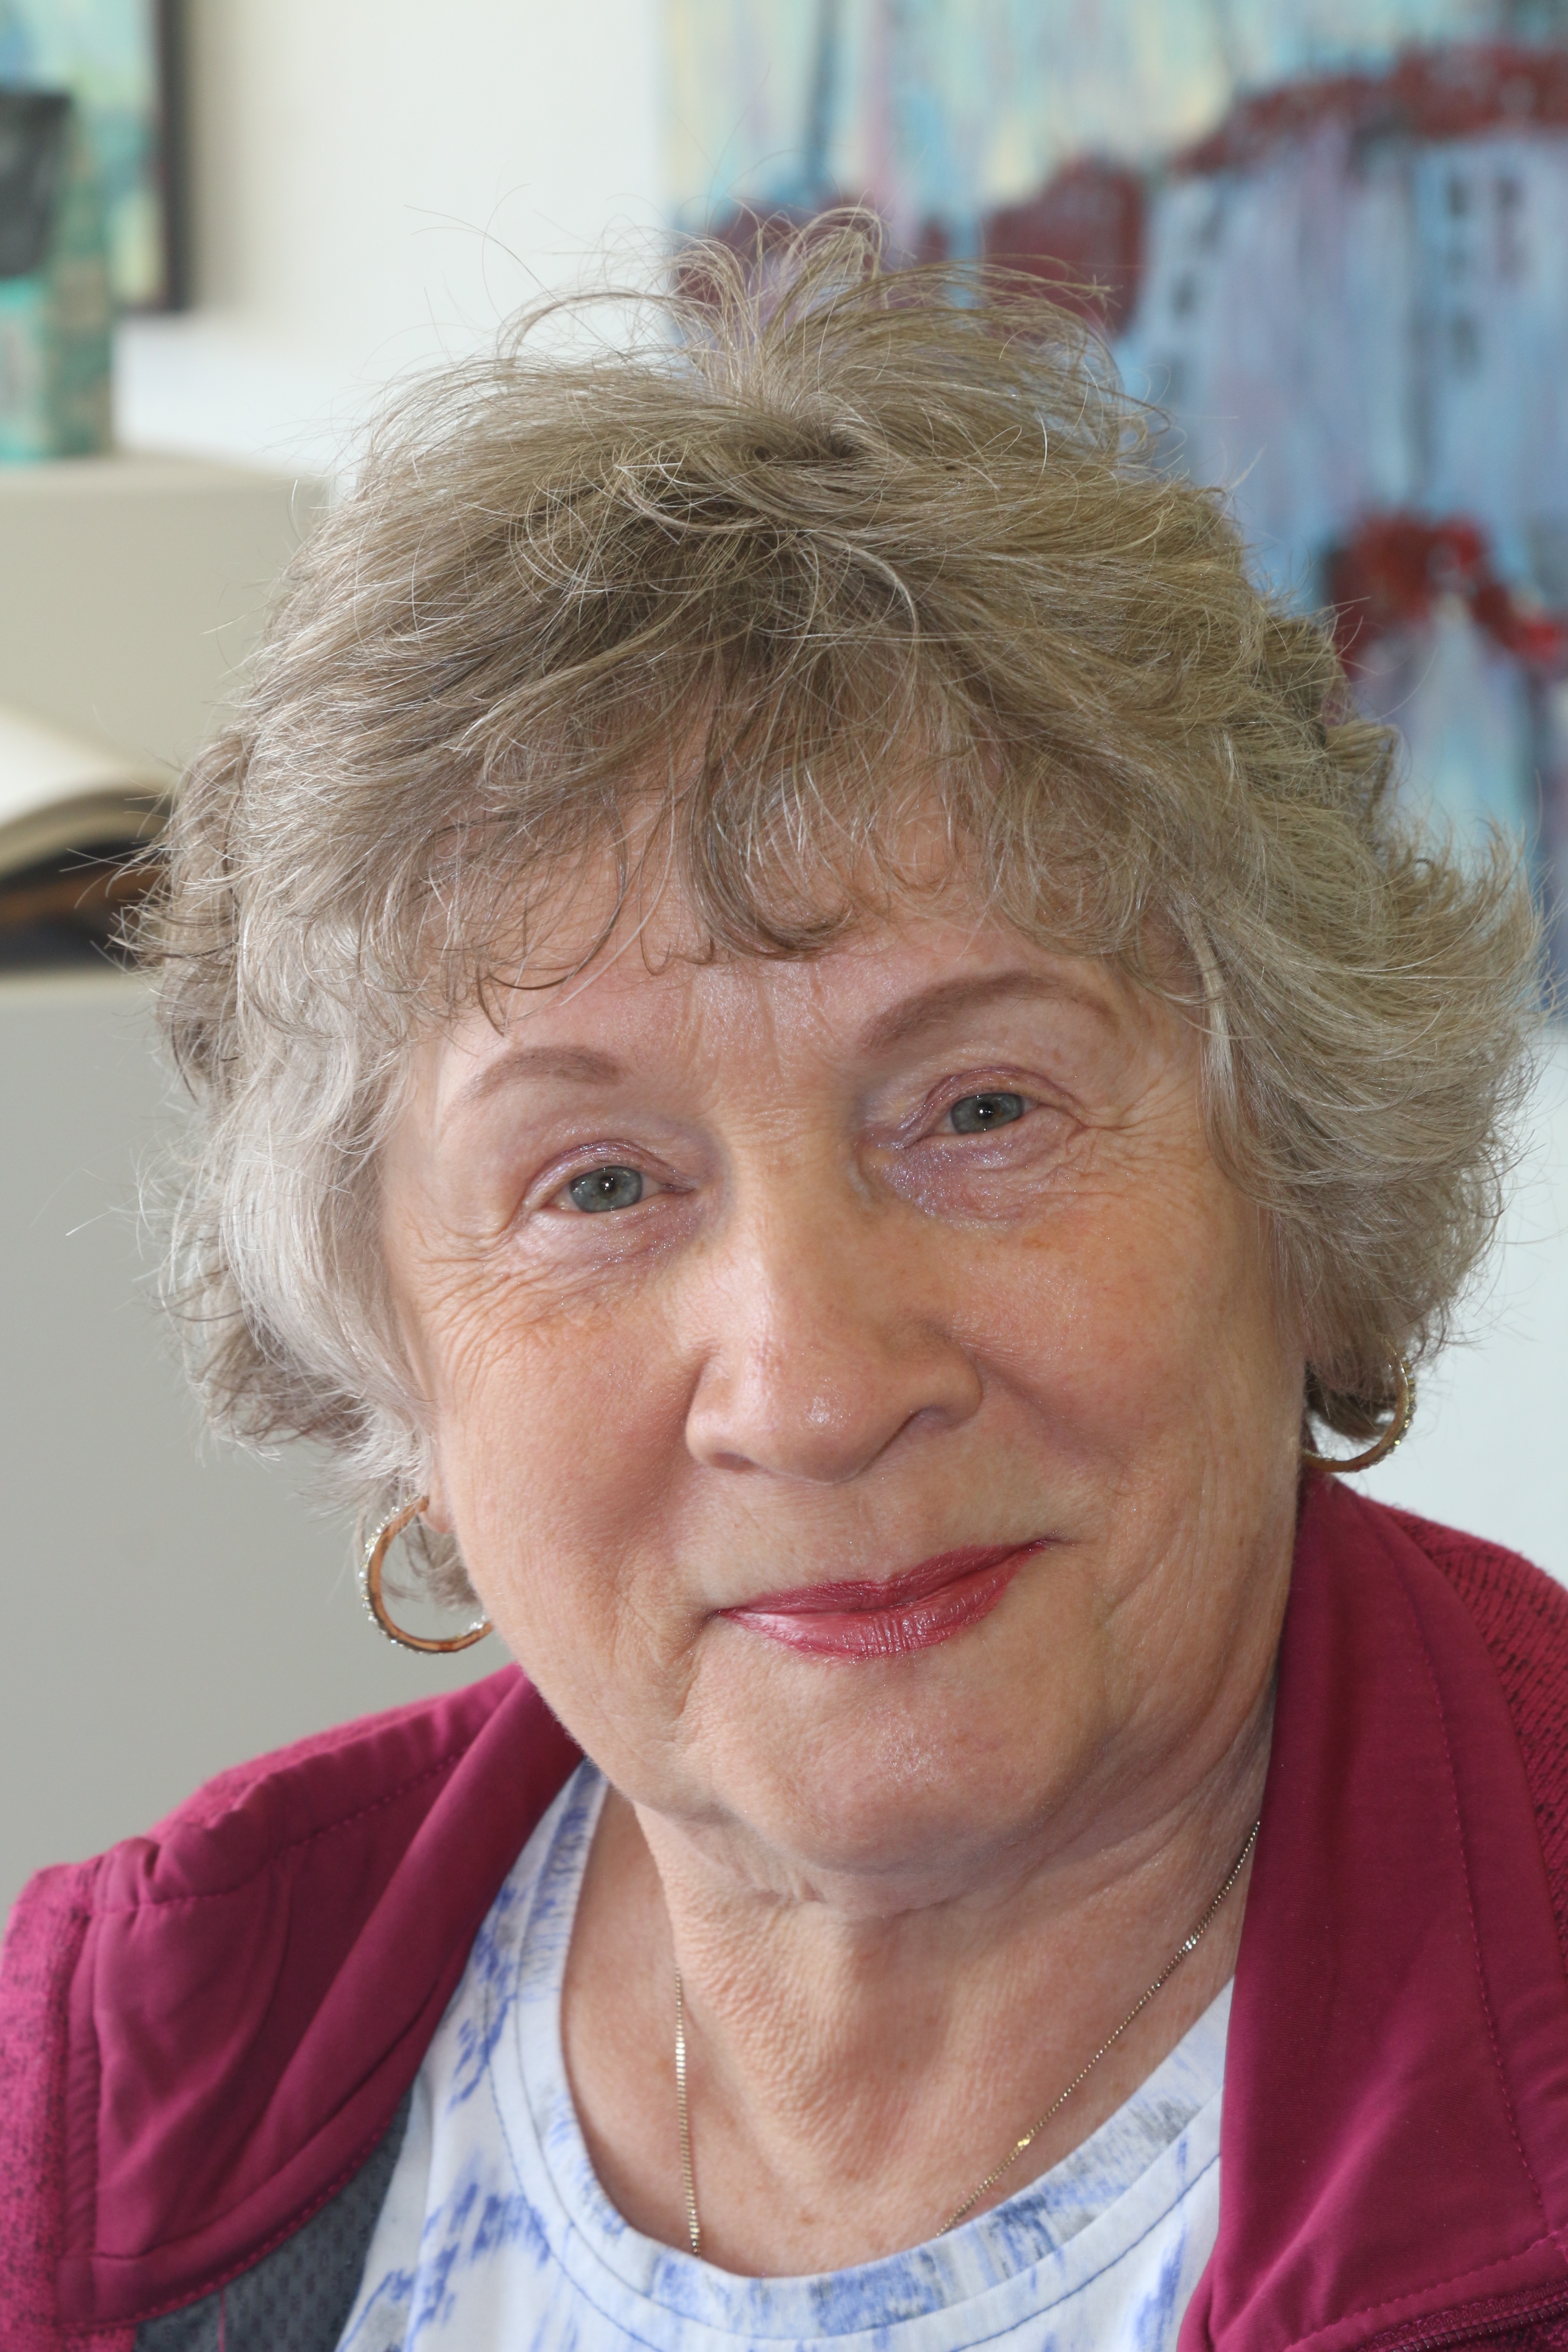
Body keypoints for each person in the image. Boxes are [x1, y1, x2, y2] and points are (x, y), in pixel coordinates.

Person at [4, 229, 1566, 2352]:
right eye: (600, 1181)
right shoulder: (121, 2088)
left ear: (1299, 1181)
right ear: (390, 1364)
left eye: (982, 1110)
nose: (816, 1388)